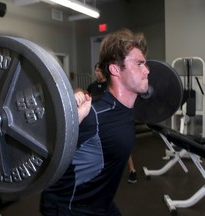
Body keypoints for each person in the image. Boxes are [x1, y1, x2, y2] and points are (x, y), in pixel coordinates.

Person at [40, 28, 149, 216]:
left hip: (100, 204)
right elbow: (43, 149)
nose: (147, 70)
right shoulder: (93, 115)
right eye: (139, 64)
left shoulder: (126, 108)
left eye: (145, 64)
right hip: (69, 208)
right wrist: (71, 120)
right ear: (115, 69)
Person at [88, 63, 138, 184]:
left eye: (99, 71)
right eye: (96, 71)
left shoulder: (111, 85)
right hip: (98, 121)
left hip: (114, 119)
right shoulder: (91, 87)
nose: (97, 73)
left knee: (123, 144)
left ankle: (132, 170)